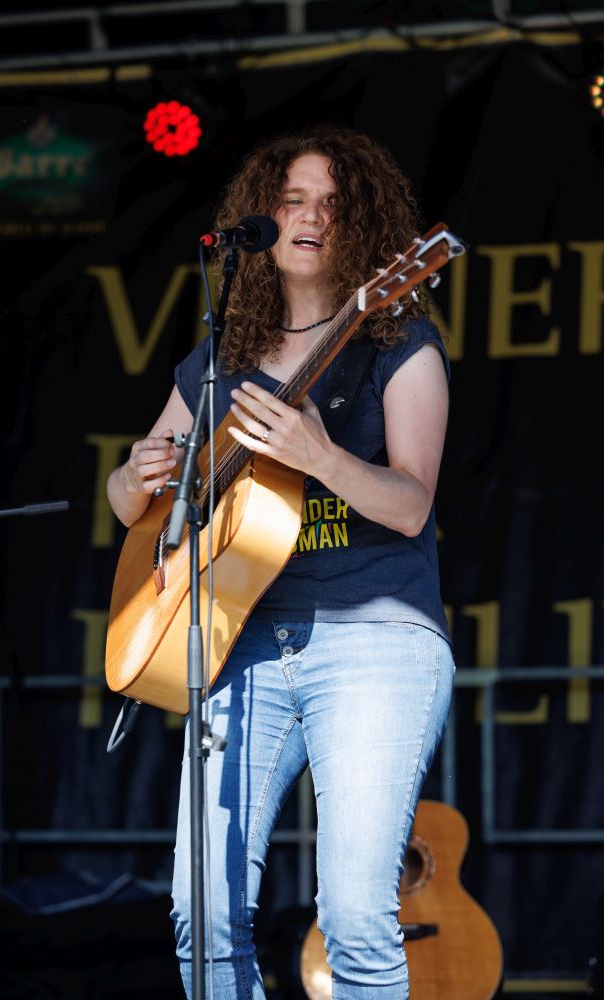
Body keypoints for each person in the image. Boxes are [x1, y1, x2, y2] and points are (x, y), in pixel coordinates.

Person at [107, 126, 454, 999]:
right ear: (261, 219)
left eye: (334, 205)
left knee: (355, 916)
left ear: (365, 227)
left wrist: (320, 456)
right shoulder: (219, 359)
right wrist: (132, 475)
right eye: (293, 200)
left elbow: (410, 504)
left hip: (373, 636)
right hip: (241, 641)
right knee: (201, 913)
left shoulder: (396, 338)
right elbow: (131, 503)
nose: (310, 218)